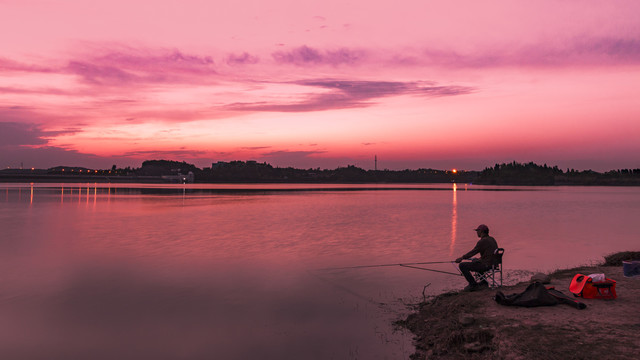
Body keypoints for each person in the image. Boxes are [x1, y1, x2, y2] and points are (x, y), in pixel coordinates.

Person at [455, 224, 499, 291]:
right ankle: (484, 282)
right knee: (475, 260)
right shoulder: (492, 239)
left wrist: (462, 258)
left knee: (462, 265)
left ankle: (473, 285)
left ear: (481, 231)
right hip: (494, 264)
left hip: (486, 265)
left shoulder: (482, 241)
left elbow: (473, 252)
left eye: (477, 231)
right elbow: (489, 254)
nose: (476, 233)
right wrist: (479, 259)